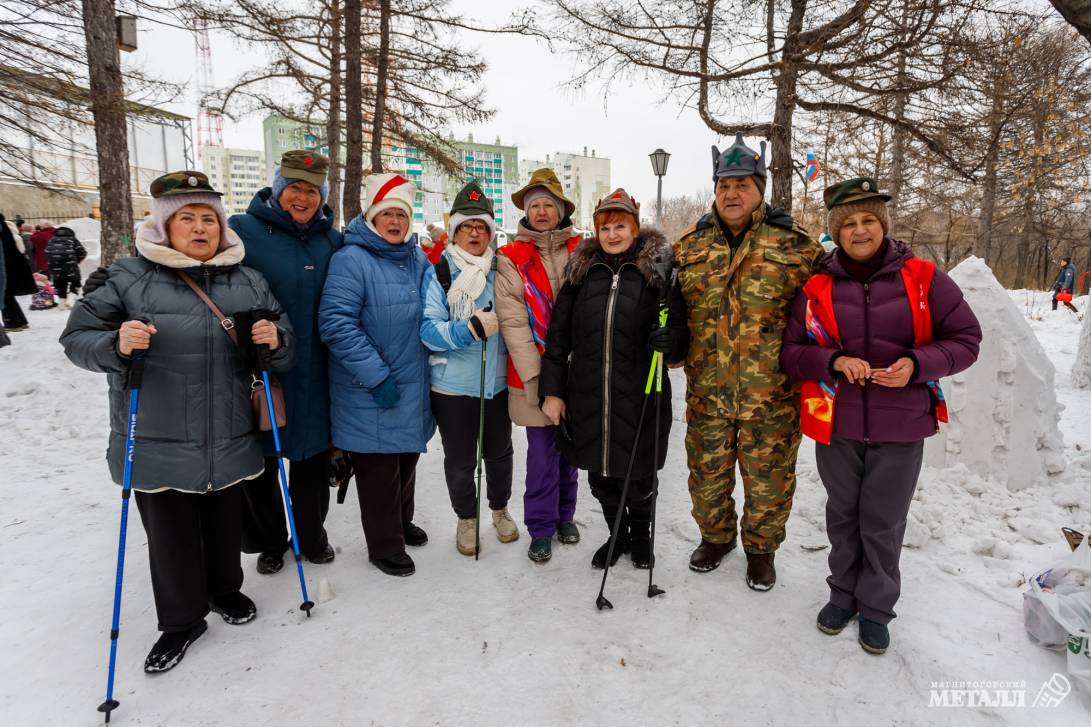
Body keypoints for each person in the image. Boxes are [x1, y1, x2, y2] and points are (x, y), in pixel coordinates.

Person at [60, 171, 295, 673]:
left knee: (224, 521)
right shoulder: (128, 277)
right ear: (164, 226)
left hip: (229, 432)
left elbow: (284, 342)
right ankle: (181, 620)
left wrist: (275, 338)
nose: (199, 228)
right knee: (170, 536)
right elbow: (77, 339)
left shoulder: (248, 278)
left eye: (208, 218)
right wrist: (114, 345)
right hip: (157, 436)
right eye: (186, 218)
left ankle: (225, 591)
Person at [780, 177, 981, 654]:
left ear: (884, 225)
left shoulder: (924, 278)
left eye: (868, 219)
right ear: (836, 231)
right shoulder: (817, 286)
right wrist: (831, 361)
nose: (859, 230)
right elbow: (791, 353)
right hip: (838, 423)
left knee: (884, 521)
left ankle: (875, 608)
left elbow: (966, 340)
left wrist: (917, 363)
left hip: (902, 424)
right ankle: (842, 595)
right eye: (847, 223)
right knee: (843, 517)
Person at [673, 134, 824, 590]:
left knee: (769, 482)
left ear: (760, 189)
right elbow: (670, 309)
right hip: (708, 391)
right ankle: (716, 538)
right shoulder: (690, 249)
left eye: (742, 185)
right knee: (706, 476)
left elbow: (829, 308)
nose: (732, 194)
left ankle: (762, 549)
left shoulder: (797, 248)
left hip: (772, 395)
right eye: (724, 186)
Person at [539, 189, 688, 569]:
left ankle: (641, 536)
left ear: (635, 228)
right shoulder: (580, 274)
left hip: (641, 393)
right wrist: (553, 391)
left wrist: (670, 341)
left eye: (621, 226)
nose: (613, 234)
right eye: (606, 227)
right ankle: (617, 534)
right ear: (596, 230)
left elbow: (679, 334)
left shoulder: (657, 274)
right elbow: (558, 339)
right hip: (589, 394)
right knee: (601, 478)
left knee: (638, 478)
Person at [229, 150, 343, 575]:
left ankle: (312, 536)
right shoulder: (242, 230)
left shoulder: (332, 239)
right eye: (294, 186)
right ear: (278, 188)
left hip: (317, 369)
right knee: (262, 461)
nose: (302, 197)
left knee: (312, 460)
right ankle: (271, 541)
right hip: (261, 367)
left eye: (311, 190)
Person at [319, 173, 434, 577]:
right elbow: (335, 323)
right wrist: (376, 375)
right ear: (371, 217)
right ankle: (384, 546)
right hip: (371, 387)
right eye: (387, 214)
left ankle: (401, 523)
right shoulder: (352, 260)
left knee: (404, 461)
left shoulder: (416, 258)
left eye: (401, 215)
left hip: (412, 383)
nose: (395, 222)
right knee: (380, 470)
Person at [420, 180, 518, 556]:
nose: (474, 233)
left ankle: (500, 509)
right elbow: (428, 330)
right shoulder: (440, 272)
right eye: (466, 227)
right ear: (455, 231)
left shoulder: (502, 268)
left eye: (482, 227)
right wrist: (469, 329)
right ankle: (466, 518)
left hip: (495, 384)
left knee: (499, 454)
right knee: (461, 461)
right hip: (453, 387)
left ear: (491, 232)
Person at [495, 168, 584, 563]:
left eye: (549, 204)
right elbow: (513, 321)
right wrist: (541, 379)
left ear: (562, 209)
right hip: (532, 371)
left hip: (580, 367)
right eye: (535, 205)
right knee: (542, 455)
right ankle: (541, 527)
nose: (543, 211)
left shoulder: (584, 250)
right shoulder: (511, 257)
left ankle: (566, 516)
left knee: (572, 450)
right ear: (526, 213)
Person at [1, 214, 35, 332]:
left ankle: (12, 323)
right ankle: (20, 321)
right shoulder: (5, 228)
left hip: (6, 266)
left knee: (5, 295)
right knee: (7, 295)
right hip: (11, 266)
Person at [44, 225, 87, 308]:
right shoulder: (72, 239)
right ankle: (70, 301)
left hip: (54, 266)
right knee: (76, 282)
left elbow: (46, 252)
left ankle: (62, 304)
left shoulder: (51, 240)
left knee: (60, 284)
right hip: (70, 265)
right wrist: (76, 260)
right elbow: (82, 252)